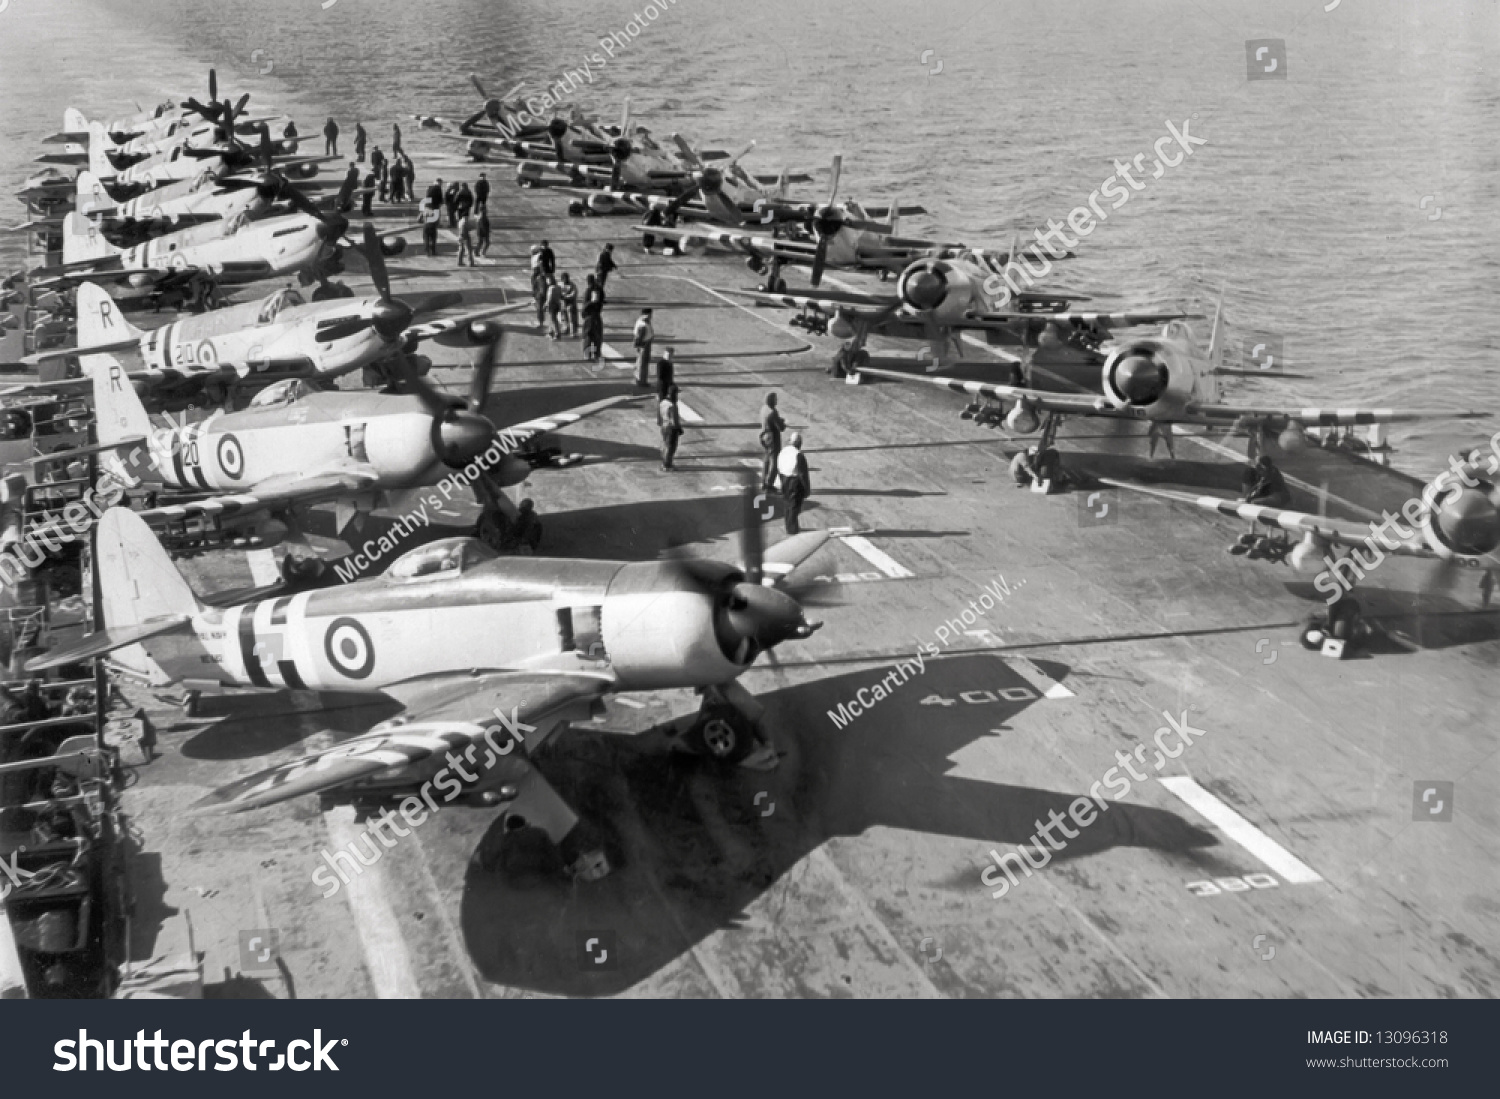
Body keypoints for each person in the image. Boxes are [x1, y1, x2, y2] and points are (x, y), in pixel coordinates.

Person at [776, 432, 811, 534]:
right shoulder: (798, 455)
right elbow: (803, 474)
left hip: (783, 479)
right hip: (794, 483)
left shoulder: (783, 451)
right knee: (794, 506)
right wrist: (807, 489)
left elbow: (778, 467)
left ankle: (789, 525)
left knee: (787, 504)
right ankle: (792, 529)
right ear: (799, 443)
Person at [759, 392, 787, 492]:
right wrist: (782, 422)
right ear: (771, 401)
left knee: (766, 460)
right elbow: (780, 427)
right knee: (775, 462)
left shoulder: (764, 409)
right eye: (775, 399)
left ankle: (763, 482)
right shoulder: (772, 412)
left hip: (764, 436)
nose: (777, 401)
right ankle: (769, 484)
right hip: (773, 438)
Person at [658, 385, 683, 470]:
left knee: (665, 445)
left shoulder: (663, 402)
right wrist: (678, 428)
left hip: (664, 426)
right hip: (671, 428)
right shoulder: (673, 405)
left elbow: (660, 415)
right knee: (671, 447)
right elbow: (674, 419)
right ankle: (667, 465)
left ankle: (664, 463)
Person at [581, 273, 605, 360]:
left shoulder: (589, 290)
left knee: (588, 335)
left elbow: (587, 304)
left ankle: (587, 354)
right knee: (597, 336)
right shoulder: (600, 289)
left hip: (589, 316)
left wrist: (583, 312)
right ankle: (596, 354)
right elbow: (602, 301)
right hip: (597, 316)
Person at [632, 308, 654, 387]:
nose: (651, 316)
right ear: (647, 314)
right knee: (643, 363)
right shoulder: (642, 325)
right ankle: (641, 381)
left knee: (642, 362)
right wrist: (640, 347)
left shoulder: (643, 321)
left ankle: (640, 379)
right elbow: (639, 338)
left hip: (645, 343)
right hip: (644, 345)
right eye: (650, 314)